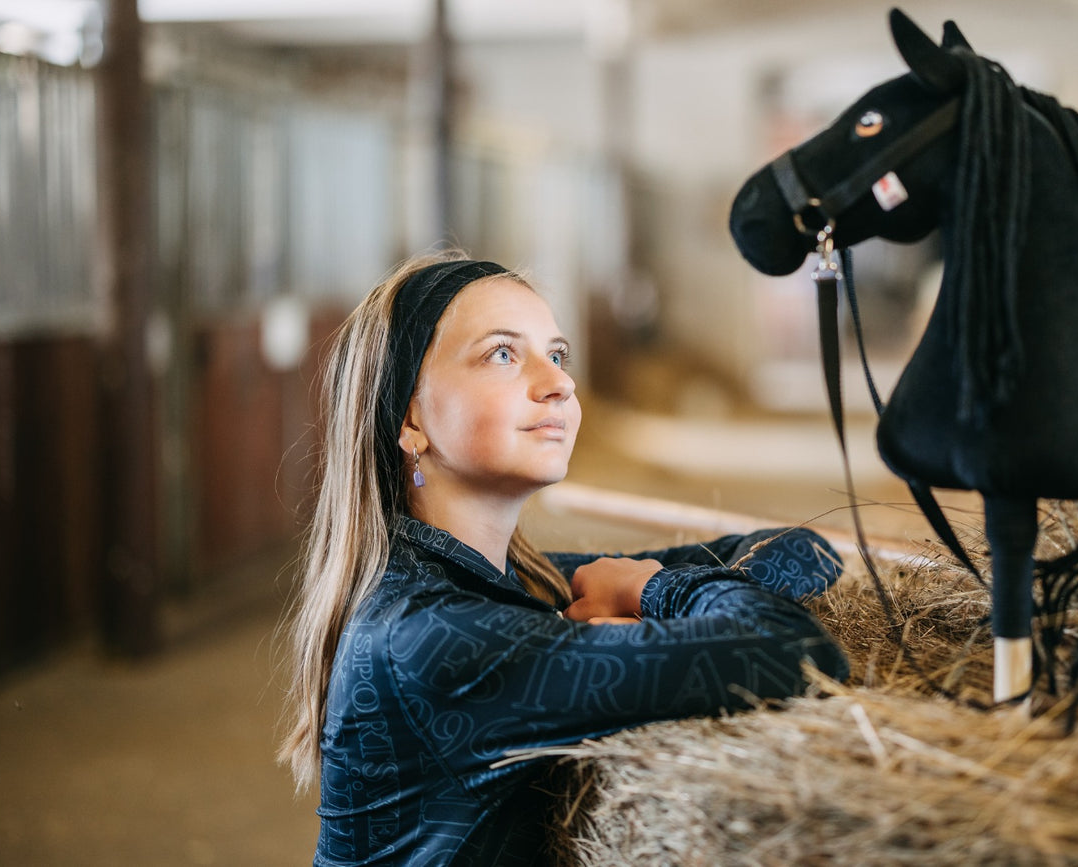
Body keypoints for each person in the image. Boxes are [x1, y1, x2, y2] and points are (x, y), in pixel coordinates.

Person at [279, 252, 849, 866]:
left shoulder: (514, 579)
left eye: (556, 354)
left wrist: (645, 591)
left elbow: (803, 549)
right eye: (502, 353)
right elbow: (798, 654)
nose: (561, 382)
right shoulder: (425, 636)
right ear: (410, 415)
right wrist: (656, 595)